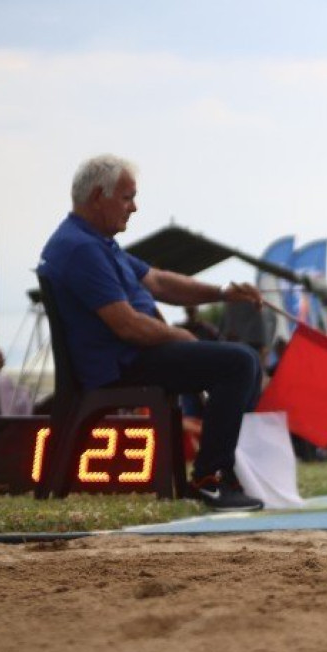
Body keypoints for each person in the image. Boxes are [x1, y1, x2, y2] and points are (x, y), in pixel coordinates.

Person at [37, 154, 266, 511]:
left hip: (136, 355)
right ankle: (210, 478)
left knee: (245, 361)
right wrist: (182, 338)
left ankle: (220, 470)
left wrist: (221, 293)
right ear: (99, 196)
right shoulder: (80, 248)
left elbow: (159, 281)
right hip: (121, 363)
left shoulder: (97, 242)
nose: (135, 207)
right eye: (127, 198)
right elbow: (126, 325)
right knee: (237, 363)